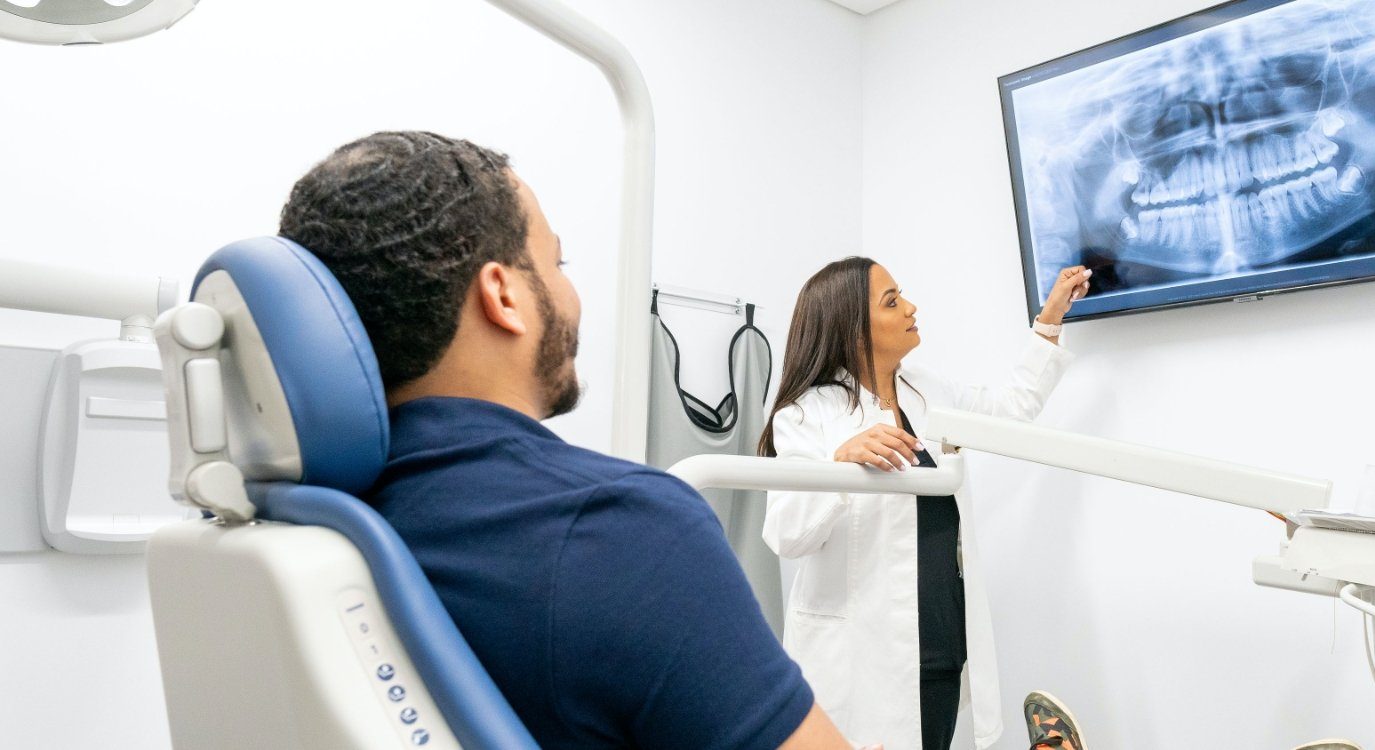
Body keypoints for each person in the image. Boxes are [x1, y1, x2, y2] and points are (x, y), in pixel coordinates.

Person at [277, 131, 859, 750]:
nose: (570, 293)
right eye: (557, 264)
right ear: (503, 295)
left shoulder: (297, 517)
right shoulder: (627, 531)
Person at [760, 255, 1092, 750]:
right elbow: (787, 534)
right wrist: (838, 466)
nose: (911, 307)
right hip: (861, 656)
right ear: (852, 328)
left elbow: (1010, 409)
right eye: (892, 301)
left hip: (939, 646)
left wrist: (1049, 322)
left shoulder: (925, 391)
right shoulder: (808, 413)